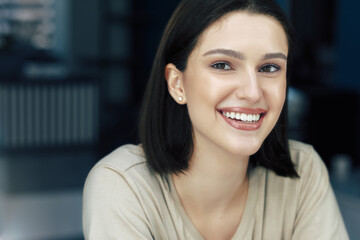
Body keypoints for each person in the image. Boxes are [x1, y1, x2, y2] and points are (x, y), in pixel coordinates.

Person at [82, 0, 349, 239]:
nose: (253, 92)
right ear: (177, 84)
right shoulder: (121, 185)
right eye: (222, 65)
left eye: (270, 68)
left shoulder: (304, 172)